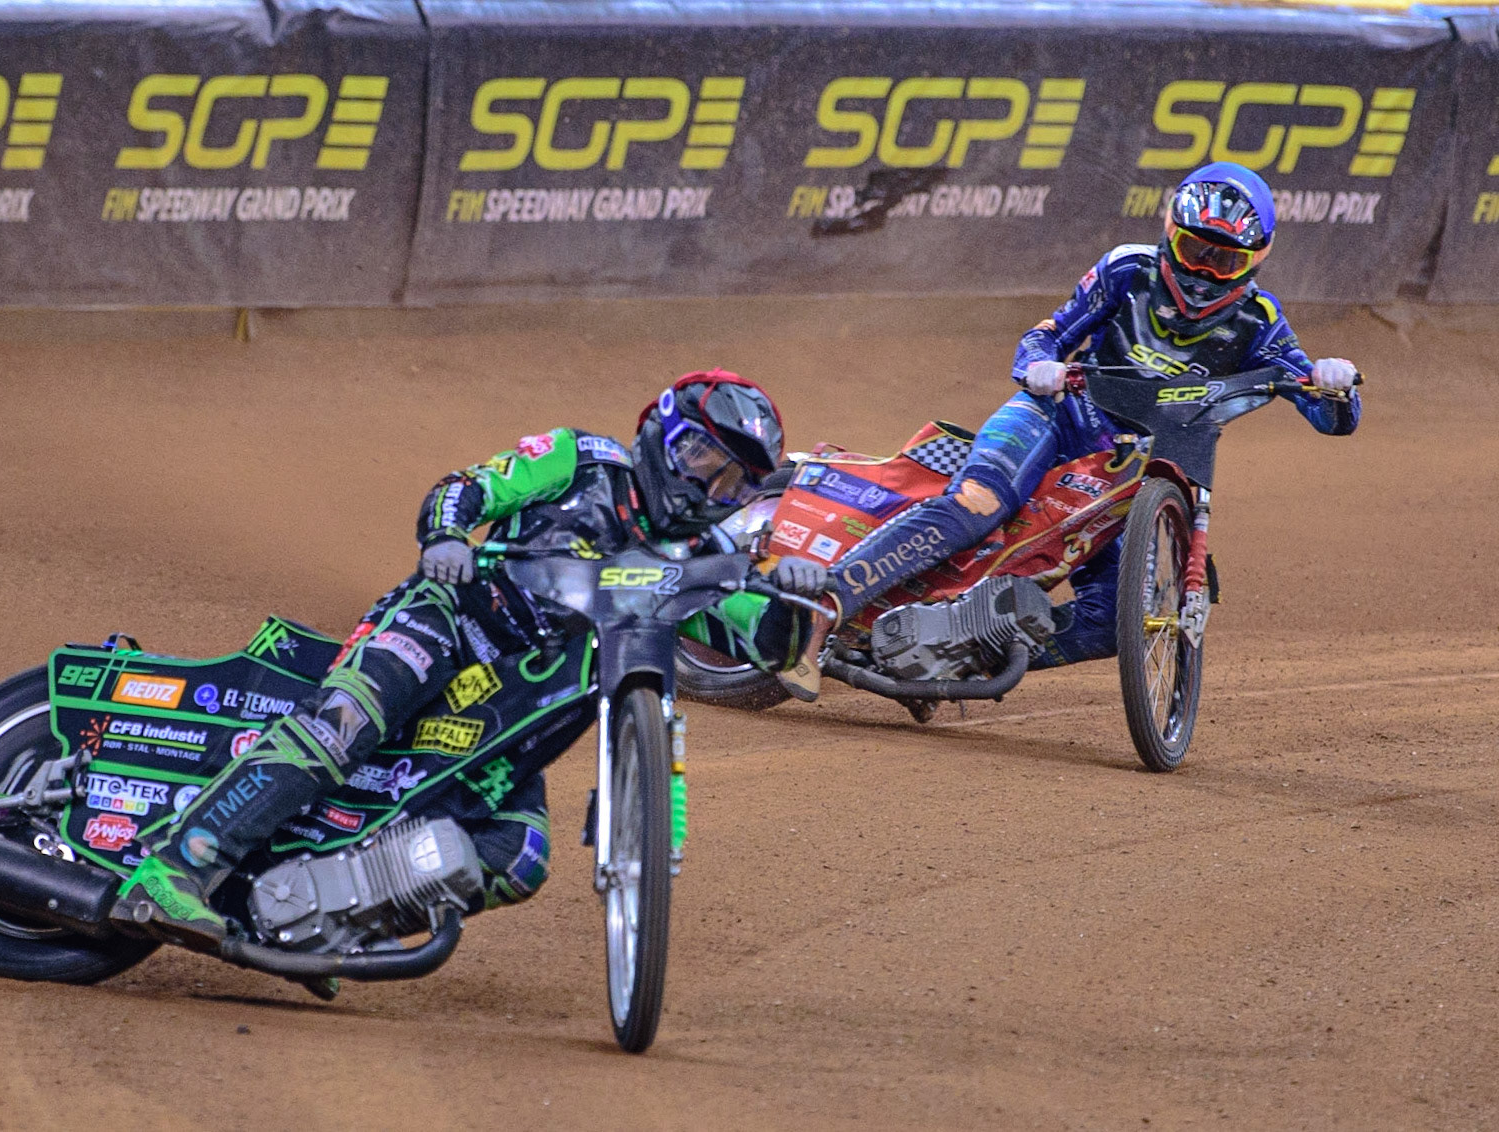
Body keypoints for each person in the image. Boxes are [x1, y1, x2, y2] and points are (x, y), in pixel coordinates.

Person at [114, 370, 829, 950]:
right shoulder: (579, 458)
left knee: (517, 854)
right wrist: (447, 536)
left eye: (734, 483)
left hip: (510, 699)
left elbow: (763, 641)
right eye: (704, 460)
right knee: (341, 725)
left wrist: (792, 597)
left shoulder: (701, 556)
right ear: (660, 433)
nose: (711, 489)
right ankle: (175, 866)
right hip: (446, 621)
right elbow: (468, 487)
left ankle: (324, 922)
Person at [780, 162, 1362, 701]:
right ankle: (822, 606)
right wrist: (1038, 367)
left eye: (1224, 261)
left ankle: (948, 653)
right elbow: (1046, 335)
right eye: (1194, 251)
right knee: (978, 503)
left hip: (1131, 474)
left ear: (1256, 259)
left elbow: (1327, 415)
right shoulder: (1126, 269)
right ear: (1169, 234)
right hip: (1057, 420)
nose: (1205, 273)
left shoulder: (1260, 322)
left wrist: (1335, 386)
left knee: (1113, 623)